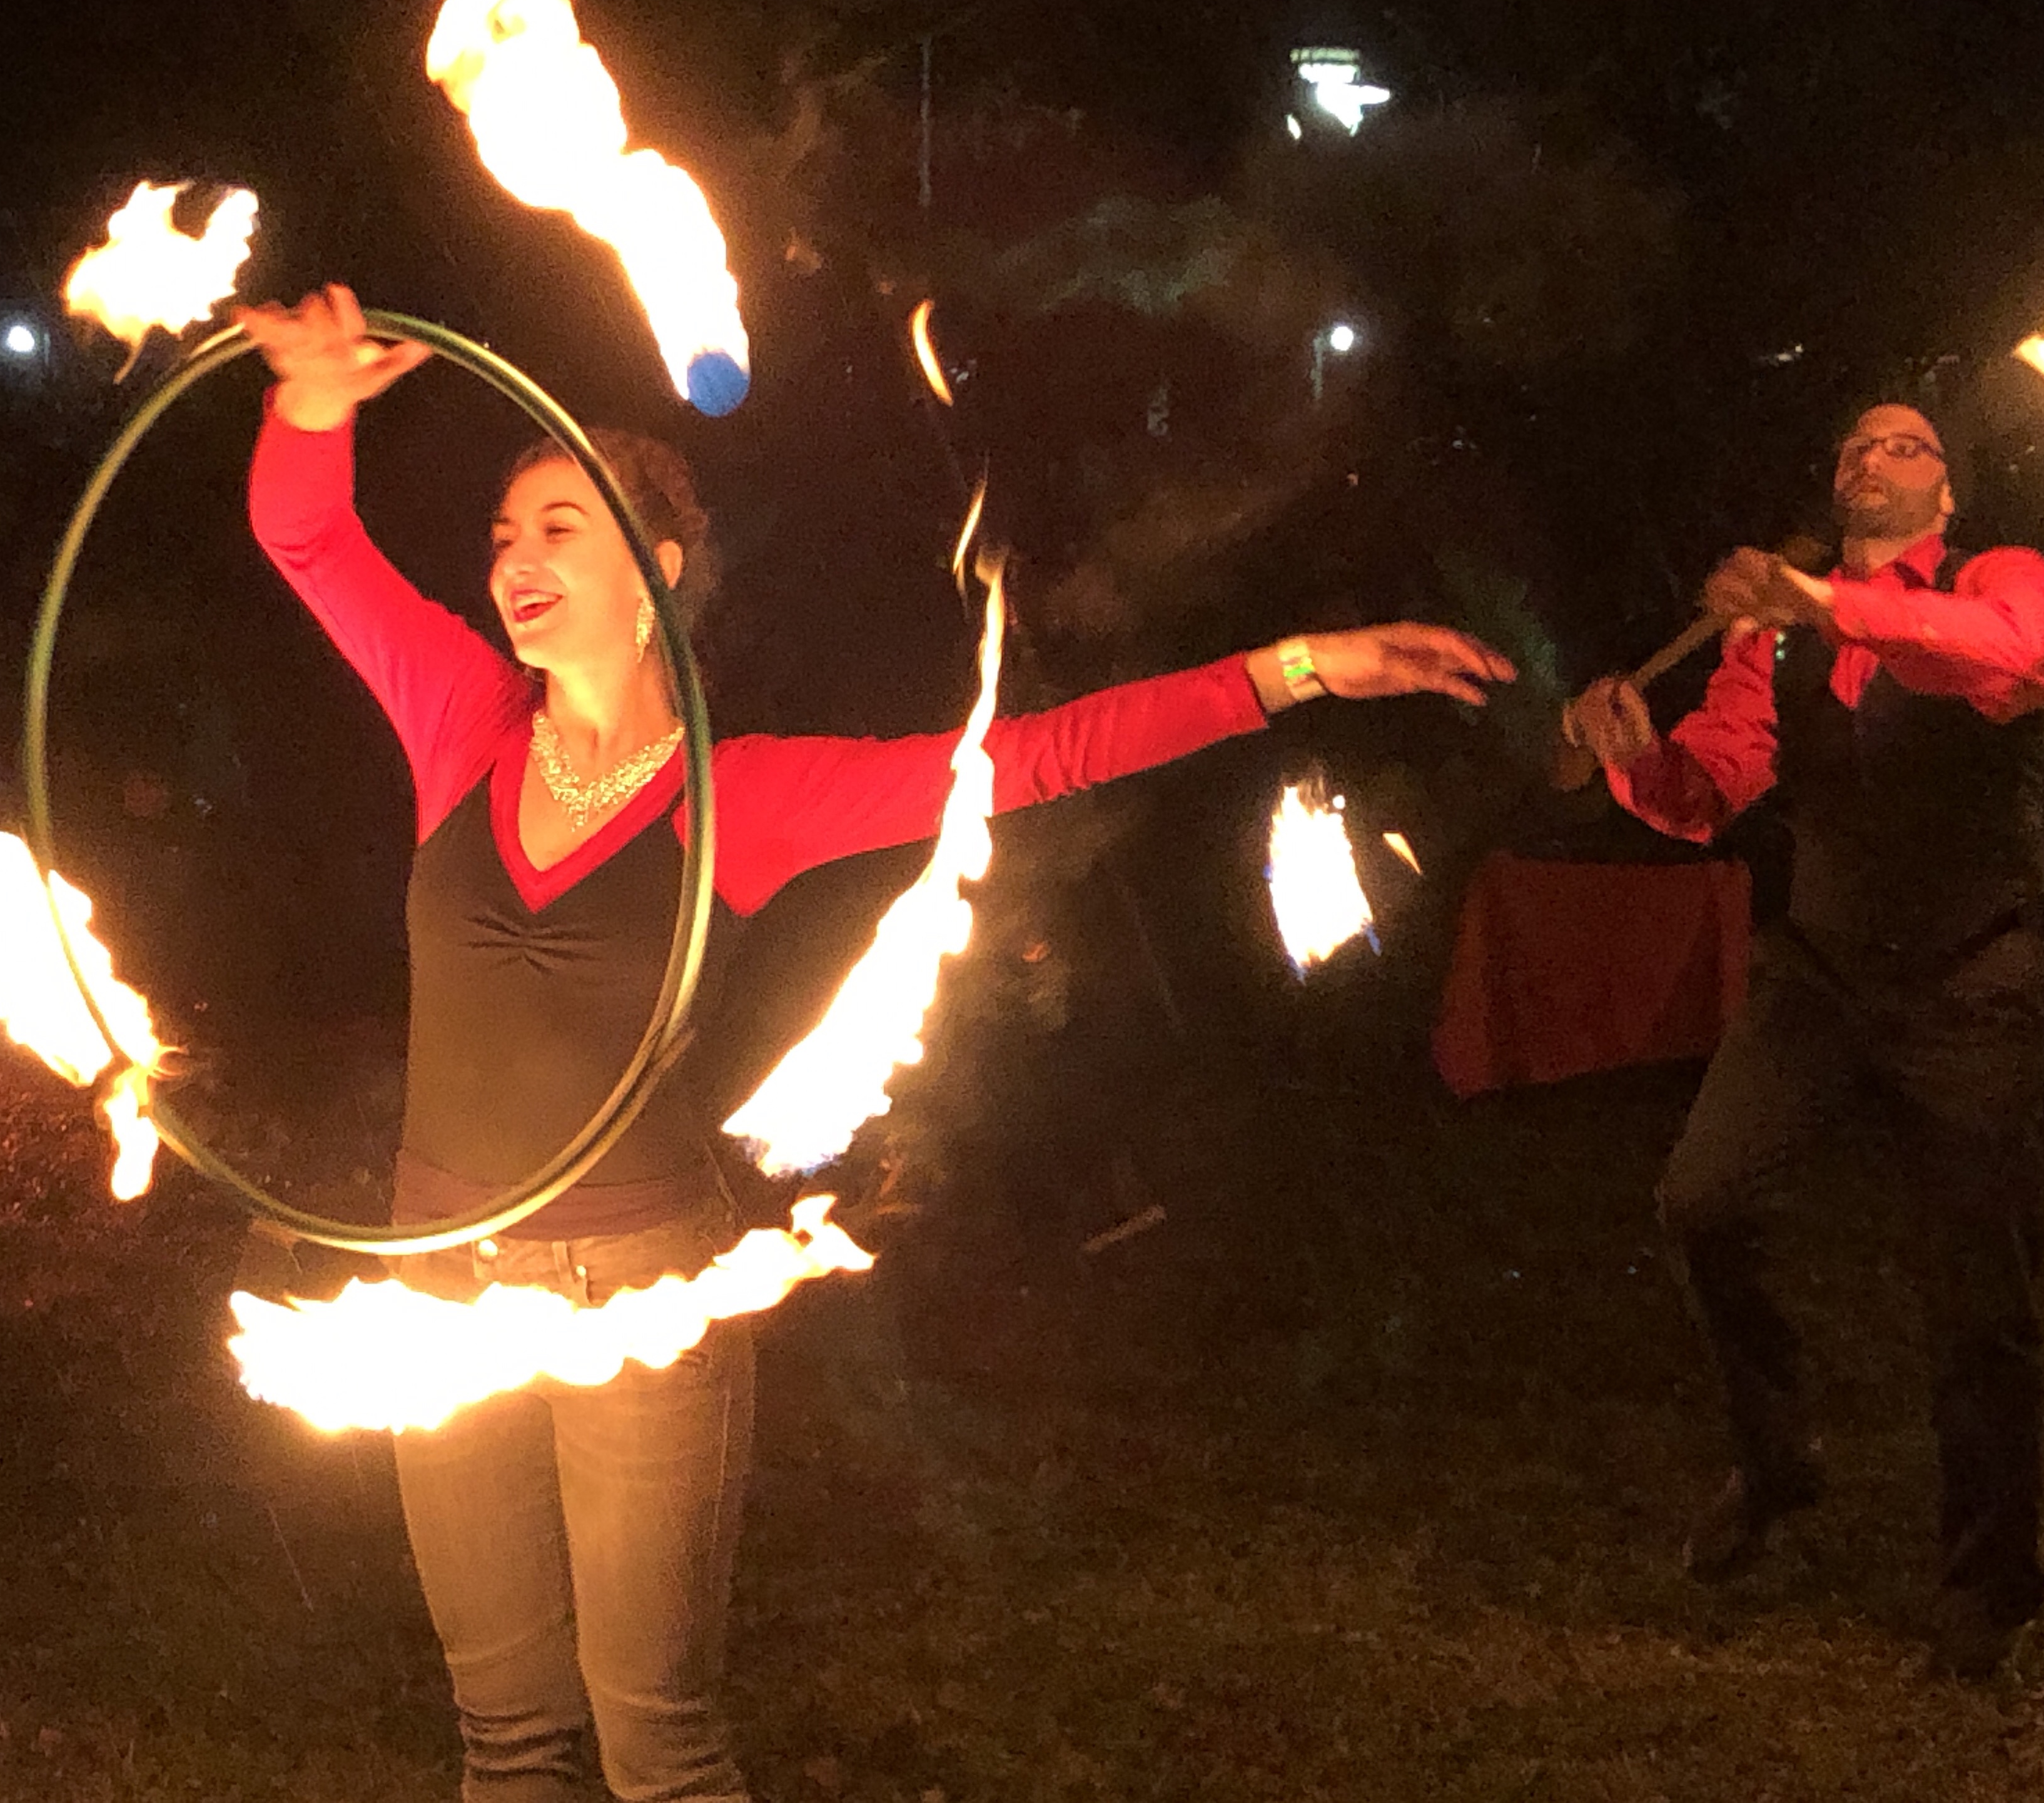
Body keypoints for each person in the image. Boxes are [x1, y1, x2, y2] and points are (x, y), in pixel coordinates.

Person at [238, 284, 1512, 1800]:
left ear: (657, 567)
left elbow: (1028, 759)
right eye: (505, 535)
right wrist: (311, 407)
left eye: (561, 529)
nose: (516, 561)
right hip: (438, 1274)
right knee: (505, 1736)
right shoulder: (462, 720)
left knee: (656, 1745)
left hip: (640, 1295)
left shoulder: (741, 796)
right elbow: (310, 543)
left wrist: (1292, 668)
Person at [1569, 400, 2044, 1679]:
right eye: (1852, 447)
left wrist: (1822, 602)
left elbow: (2009, 653)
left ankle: (1989, 1582)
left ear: (1946, 493)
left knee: (1977, 1300)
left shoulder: (1998, 579)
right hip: (1823, 974)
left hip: (1970, 980)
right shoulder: (1771, 637)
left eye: (1903, 445)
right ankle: (1779, 1458)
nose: (1868, 459)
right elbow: (1709, 790)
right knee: (1701, 1201)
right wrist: (1640, 760)